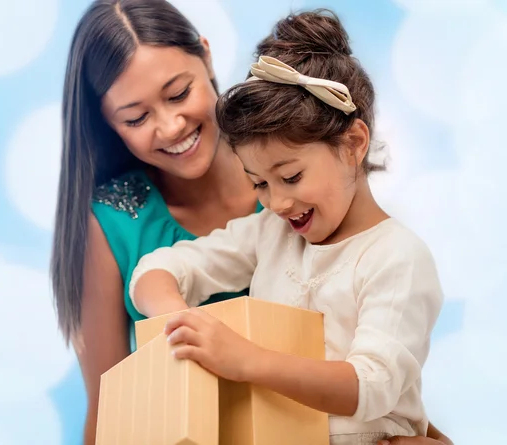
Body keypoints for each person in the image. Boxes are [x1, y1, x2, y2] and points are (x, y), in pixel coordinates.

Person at [50, 1, 452, 444]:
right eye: (137, 117)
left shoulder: (313, 216)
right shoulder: (272, 228)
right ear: (108, 123)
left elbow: (379, 382)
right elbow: (109, 411)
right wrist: (183, 322)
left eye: (178, 93)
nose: (169, 126)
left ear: (206, 57)